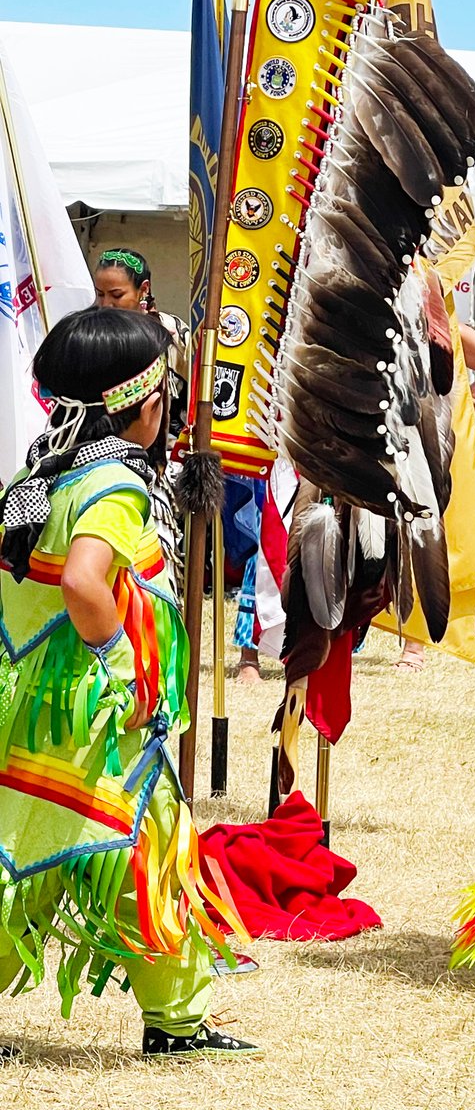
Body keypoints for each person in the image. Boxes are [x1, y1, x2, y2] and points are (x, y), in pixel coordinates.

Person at [0, 307, 258, 1057]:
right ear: (146, 407)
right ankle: (176, 1021)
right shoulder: (115, 483)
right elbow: (84, 582)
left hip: (38, 704)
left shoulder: (39, 472)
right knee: (114, 849)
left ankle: (176, 1019)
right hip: (89, 711)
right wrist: (117, 661)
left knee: (74, 847)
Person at [394, 323, 475, 672]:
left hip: (432, 442)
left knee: (425, 529)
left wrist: (459, 402)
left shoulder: (448, 325)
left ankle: (413, 648)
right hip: (390, 434)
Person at [94, 248, 190, 598]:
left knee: (152, 573)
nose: (105, 304)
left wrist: (175, 457)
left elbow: (186, 403)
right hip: (96, 466)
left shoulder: (171, 333)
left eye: (117, 295)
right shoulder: (91, 333)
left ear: (143, 290)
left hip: (156, 468)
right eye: (100, 294)